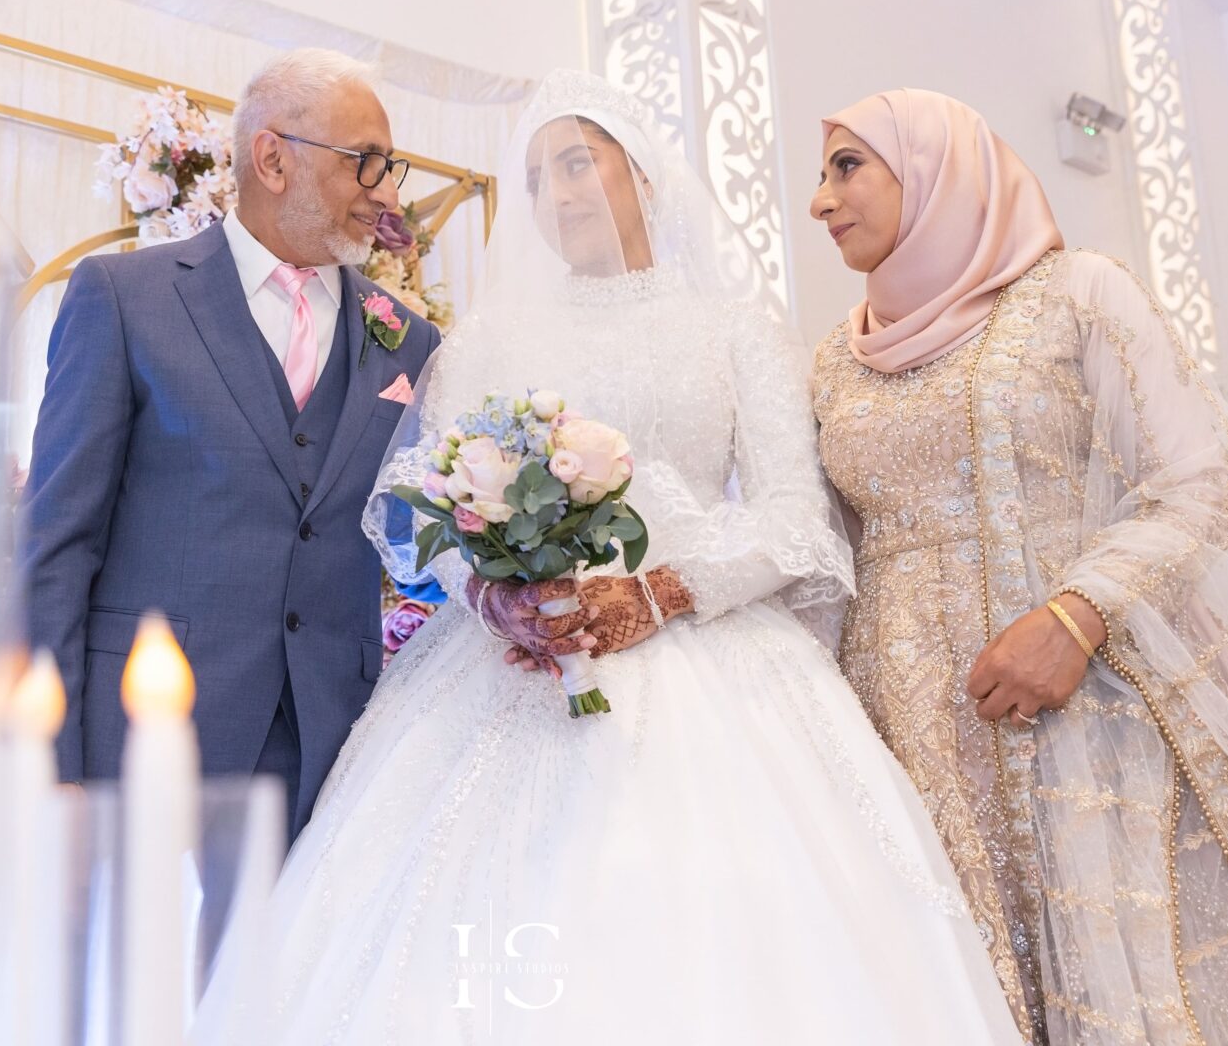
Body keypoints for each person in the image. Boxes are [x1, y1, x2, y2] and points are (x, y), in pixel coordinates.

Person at [195, 71, 1022, 1043]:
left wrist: (665, 589)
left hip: (711, 656)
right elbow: (416, 504)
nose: (559, 194)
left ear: (645, 172)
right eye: (539, 178)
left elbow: (797, 515)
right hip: (511, 664)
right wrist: (490, 591)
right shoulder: (494, 338)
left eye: (580, 162)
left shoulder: (734, 327)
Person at [809, 88, 1228, 1045]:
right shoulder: (834, 360)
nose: (821, 201)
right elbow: (827, 551)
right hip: (905, 737)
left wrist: (1075, 617)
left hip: (1078, 715)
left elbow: (1197, 477)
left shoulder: (1077, 290)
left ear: (933, 167)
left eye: (847, 166)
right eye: (821, 175)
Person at [18, 48, 439, 840]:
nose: (385, 193)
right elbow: (55, 543)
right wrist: (48, 761)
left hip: (328, 755)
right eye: (366, 164)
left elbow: (420, 542)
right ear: (272, 158)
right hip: (142, 744)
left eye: (392, 167)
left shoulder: (409, 341)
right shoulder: (123, 299)